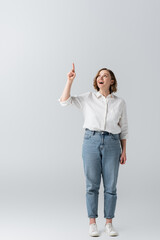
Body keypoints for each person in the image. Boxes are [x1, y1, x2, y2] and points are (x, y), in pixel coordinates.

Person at [58, 63, 128, 237]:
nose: (101, 78)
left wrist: (124, 150)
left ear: (111, 81)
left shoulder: (119, 102)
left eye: (105, 75)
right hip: (91, 141)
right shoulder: (88, 98)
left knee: (111, 186)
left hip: (113, 143)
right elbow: (65, 101)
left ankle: (109, 223)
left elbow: (124, 128)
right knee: (92, 185)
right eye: (99, 76)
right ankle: (92, 223)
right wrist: (69, 81)